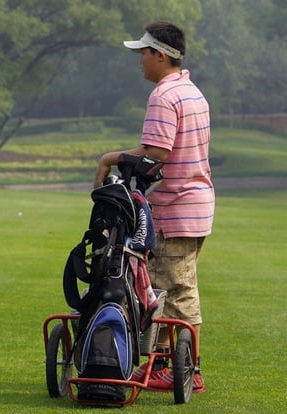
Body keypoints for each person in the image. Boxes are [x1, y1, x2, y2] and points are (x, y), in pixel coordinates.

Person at [94, 21, 213, 393]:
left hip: (174, 209)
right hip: (196, 207)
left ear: (160, 55)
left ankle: (186, 371)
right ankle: (168, 365)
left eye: (143, 54)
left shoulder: (164, 96)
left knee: (173, 291)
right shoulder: (192, 91)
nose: (140, 62)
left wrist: (107, 159)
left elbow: (157, 154)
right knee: (172, 287)